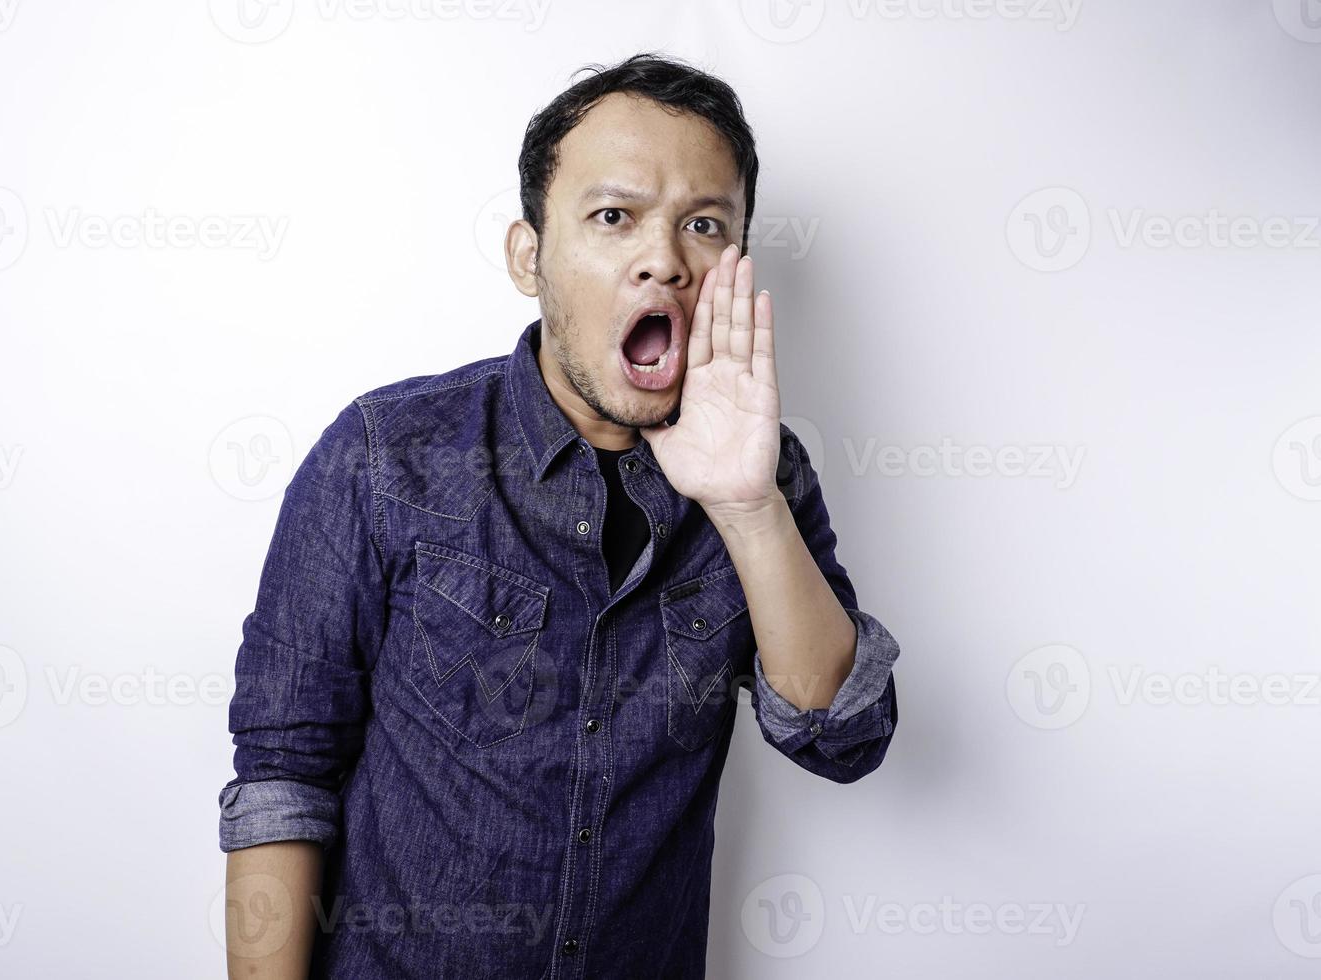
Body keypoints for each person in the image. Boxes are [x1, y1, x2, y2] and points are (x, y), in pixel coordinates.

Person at [218, 51, 900, 980]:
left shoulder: (767, 480)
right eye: (613, 217)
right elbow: (281, 778)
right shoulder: (386, 456)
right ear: (529, 254)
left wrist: (745, 506)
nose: (664, 258)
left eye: (704, 224)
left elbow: (845, 738)